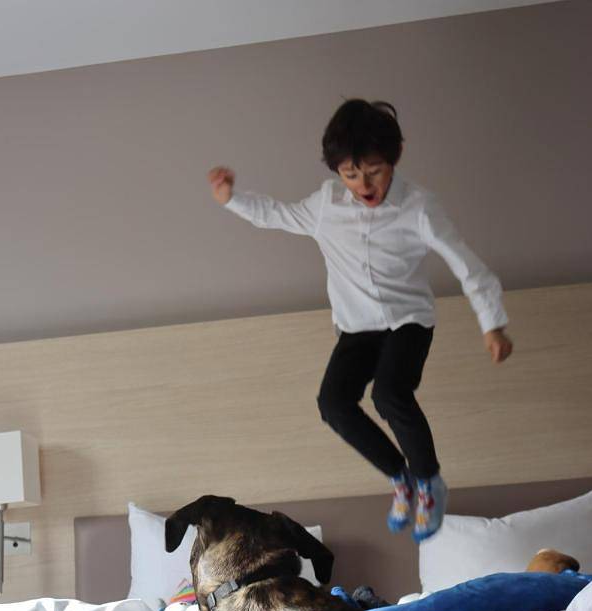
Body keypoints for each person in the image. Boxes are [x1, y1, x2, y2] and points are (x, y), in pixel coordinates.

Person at [208, 99, 513, 541]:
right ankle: (400, 478)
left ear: (395, 157)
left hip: (408, 320)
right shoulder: (326, 205)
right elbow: (276, 215)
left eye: (373, 170)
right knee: (332, 404)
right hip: (356, 327)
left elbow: (467, 265)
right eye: (351, 174)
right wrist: (231, 199)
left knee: (390, 395)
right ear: (337, 172)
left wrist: (493, 324)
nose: (363, 184)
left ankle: (429, 481)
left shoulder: (420, 208)